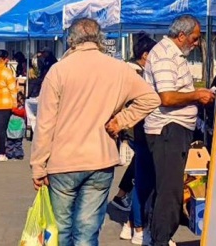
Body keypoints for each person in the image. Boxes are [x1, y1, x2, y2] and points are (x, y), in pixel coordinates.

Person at [30, 18, 160, 246]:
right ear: (100, 39)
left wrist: (38, 165)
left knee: (61, 230)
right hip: (101, 159)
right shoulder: (119, 68)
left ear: (71, 40)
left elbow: (45, 123)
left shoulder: (58, 71)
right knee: (88, 232)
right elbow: (151, 98)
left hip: (63, 161)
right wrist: (121, 120)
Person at [143, 15, 215, 246]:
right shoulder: (165, 55)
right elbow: (167, 97)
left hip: (175, 128)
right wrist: (197, 95)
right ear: (181, 35)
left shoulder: (175, 55)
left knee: (164, 186)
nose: (196, 43)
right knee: (170, 189)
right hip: (168, 128)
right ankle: (161, 239)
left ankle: (156, 234)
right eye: (194, 38)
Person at [116, 35, 158, 244]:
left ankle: (131, 224)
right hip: (140, 132)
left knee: (139, 179)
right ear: (144, 55)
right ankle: (138, 227)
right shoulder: (137, 75)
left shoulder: (125, 71)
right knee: (143, 182)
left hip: (133, 132)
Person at [6, 91, 26, 160]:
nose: (18, 103)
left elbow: (21, 113)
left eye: (20, 101)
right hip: (11, 129)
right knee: (9, 143)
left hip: (19, 129)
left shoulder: (22, 109)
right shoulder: (10, 109)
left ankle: (19, 154)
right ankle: (9, 154)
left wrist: (13, 110)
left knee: (18, 144)